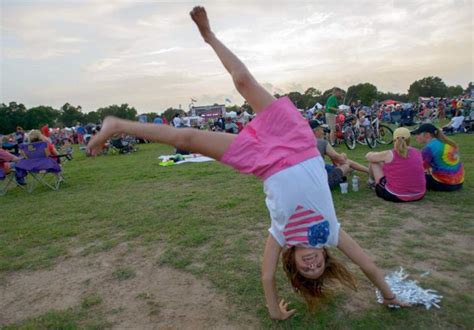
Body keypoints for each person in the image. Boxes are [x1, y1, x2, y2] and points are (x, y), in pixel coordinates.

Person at [87, 6, 408, 320]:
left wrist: (274, 311)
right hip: (298, 143)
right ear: (324, 256)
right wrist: (390, 295)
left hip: (265, 163)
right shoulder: (331, 233)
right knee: (242, 81)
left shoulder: (280, 234)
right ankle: (209, 36)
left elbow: (267, 277)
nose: (312, 265)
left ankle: (117, 124)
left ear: (293, 261)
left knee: (185, 140)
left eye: (305, 269)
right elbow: (367, 264)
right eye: (318, 266)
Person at [365, 128, 425, 202]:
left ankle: (371, 182)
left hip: (396, 195)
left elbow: (368, 157)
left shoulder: (389, 154)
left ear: (394, 140)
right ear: (409, 140)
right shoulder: (417, 152)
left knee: (374, 162)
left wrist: (374, 153)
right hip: (419, 194)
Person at [309, 120, 368, 189]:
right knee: (346, 163)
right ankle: (369, 171)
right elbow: (341, 159)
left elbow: (334, 159)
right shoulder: (322, 143)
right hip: (320, 183)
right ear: (317, 131)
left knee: (332, 165)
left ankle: (364, 170)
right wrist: (343, 154)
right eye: (322, 129)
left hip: (305, 181)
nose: (323, 132)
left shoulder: (300, 142)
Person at [412, 123, 464, 191]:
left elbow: (420, 167)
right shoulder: (445, 143)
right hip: (458, 182)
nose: (416, 136)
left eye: (418, 134)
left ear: (427, 135)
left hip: (444, 184)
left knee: (413, 176)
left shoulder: (429, 148)